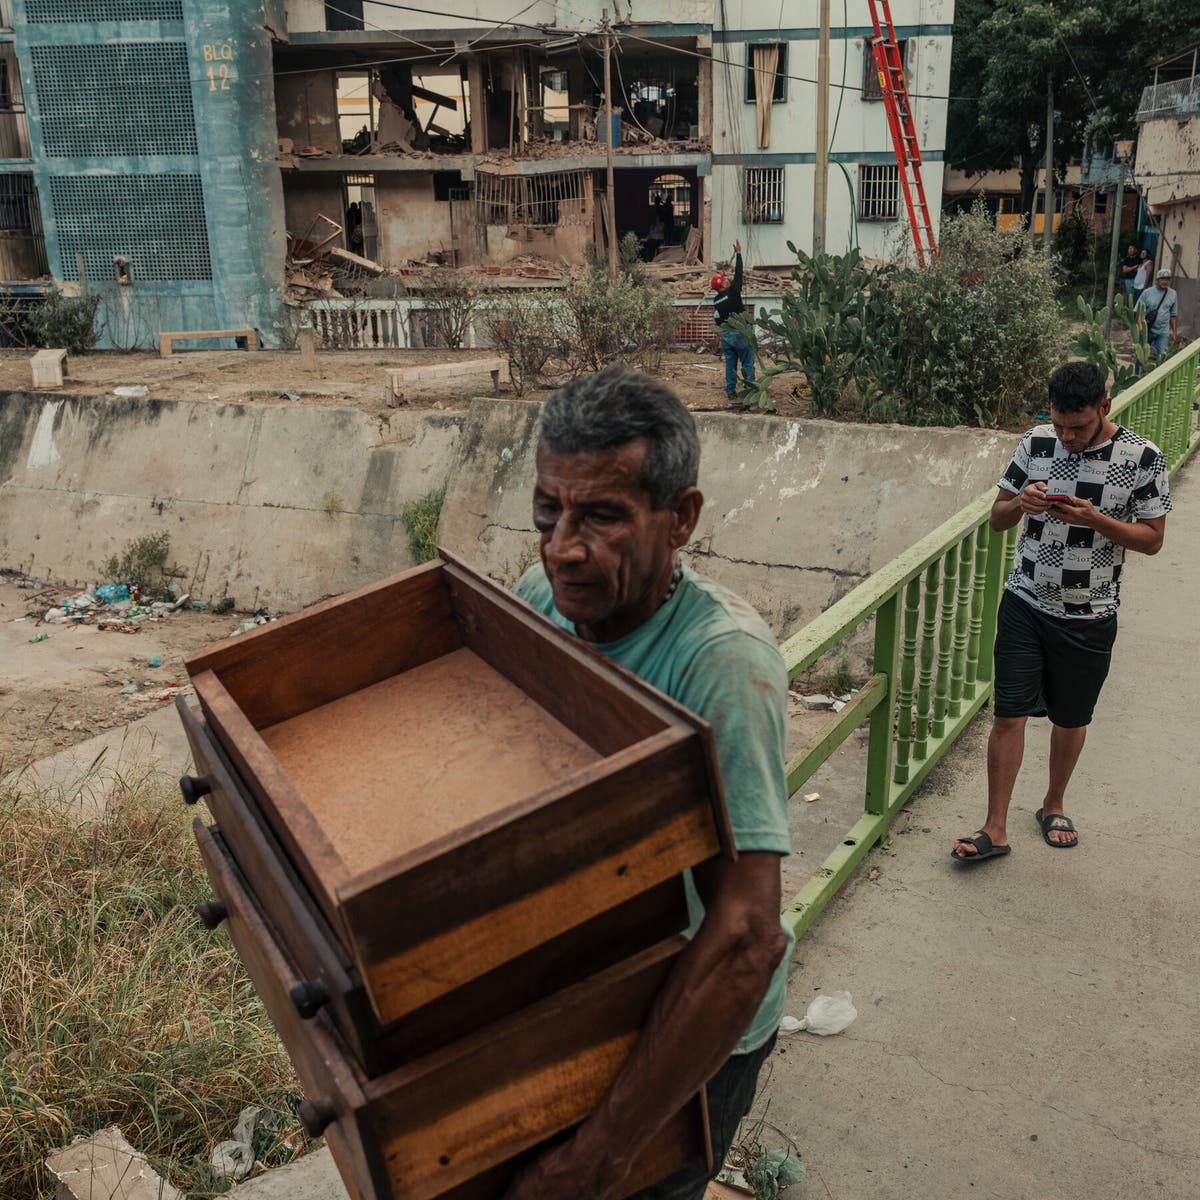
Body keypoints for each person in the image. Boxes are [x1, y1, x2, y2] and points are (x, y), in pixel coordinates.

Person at [506, 364, 793, 1200]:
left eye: (601, 516)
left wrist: (601, 1156)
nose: (563, 547)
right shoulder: (544, 597)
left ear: (682, 518)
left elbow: (745, 941)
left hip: (694, 1028)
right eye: (547, 509)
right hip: (602, 995)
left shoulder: (722, 668)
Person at [951, 361, 1170, 864]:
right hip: (1025, 602)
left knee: (1070, 719)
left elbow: (1154, 540)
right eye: (1060, 425)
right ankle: (995, 829)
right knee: (1008, 714)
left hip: (1090, 614)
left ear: (1105, 408)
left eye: (1079, 427)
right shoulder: (1036, 442)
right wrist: (1021, 503)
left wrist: (1099, 520)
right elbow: (997, 519)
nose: (1067, 436)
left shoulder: (1142, 457)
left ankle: (1053, 805)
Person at [712, 240, 755, 401]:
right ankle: (750, 390)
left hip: (726, 336)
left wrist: (716, 346)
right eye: (724, 279)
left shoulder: (716, 300)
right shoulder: (734, 292)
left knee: (730, 365)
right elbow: (739, 272)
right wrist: (738, 254)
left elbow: (717, 321)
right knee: (747, 362)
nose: (727, 279)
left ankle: (730, 391)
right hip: (740, 333)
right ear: (722, 284)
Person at [1136, 266, 1179, 362]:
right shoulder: (1147, 293)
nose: (1165, 281)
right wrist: (1140, 326)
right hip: (1148, 329)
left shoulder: (1173, 294)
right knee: (1141, 355)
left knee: (1163, 356)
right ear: (1157, 280)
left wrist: (1174, 332)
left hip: (1163, 331)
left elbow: (1173, 314)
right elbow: (1140, 311)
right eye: (1162, 279)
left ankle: (1161, 376)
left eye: (1167, 279)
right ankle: (1138, 375)